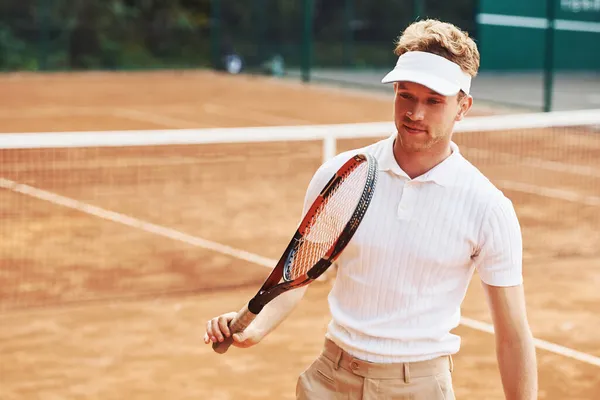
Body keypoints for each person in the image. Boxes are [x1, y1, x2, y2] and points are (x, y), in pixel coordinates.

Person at [204, 19, 538, 399]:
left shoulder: (488, 207)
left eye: (434, 101)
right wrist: (255, 328)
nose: (415, 113)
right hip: (329, 379)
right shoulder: (341, 176)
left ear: (463, 107)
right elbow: (300, 275)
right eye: (405, 95)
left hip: (421, 388)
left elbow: (513, 335)